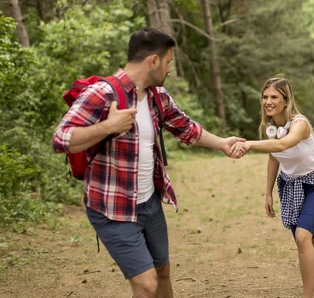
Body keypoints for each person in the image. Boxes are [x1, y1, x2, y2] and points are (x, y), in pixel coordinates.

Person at [52, 27, 244, 298]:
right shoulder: (102, 94)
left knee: (162, 272)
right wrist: (108, 126)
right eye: (168, 63)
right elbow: (61, 139)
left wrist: (223, 143)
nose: (169, 70)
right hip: (112, 209)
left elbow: (187, 128)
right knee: (146, 285)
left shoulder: (157, 96)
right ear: (153, 61)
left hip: (149, 203)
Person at [230, 76, 314, 298]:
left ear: (286, 99)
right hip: (290, 186)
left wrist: (250, 144)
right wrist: (268, 192)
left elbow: (283, 144)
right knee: (308, 241)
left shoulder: (300, 124)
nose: (268, 101)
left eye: (274, 97)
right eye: (264, 96)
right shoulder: (271, 128)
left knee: (302, 237)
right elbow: (275, 156)